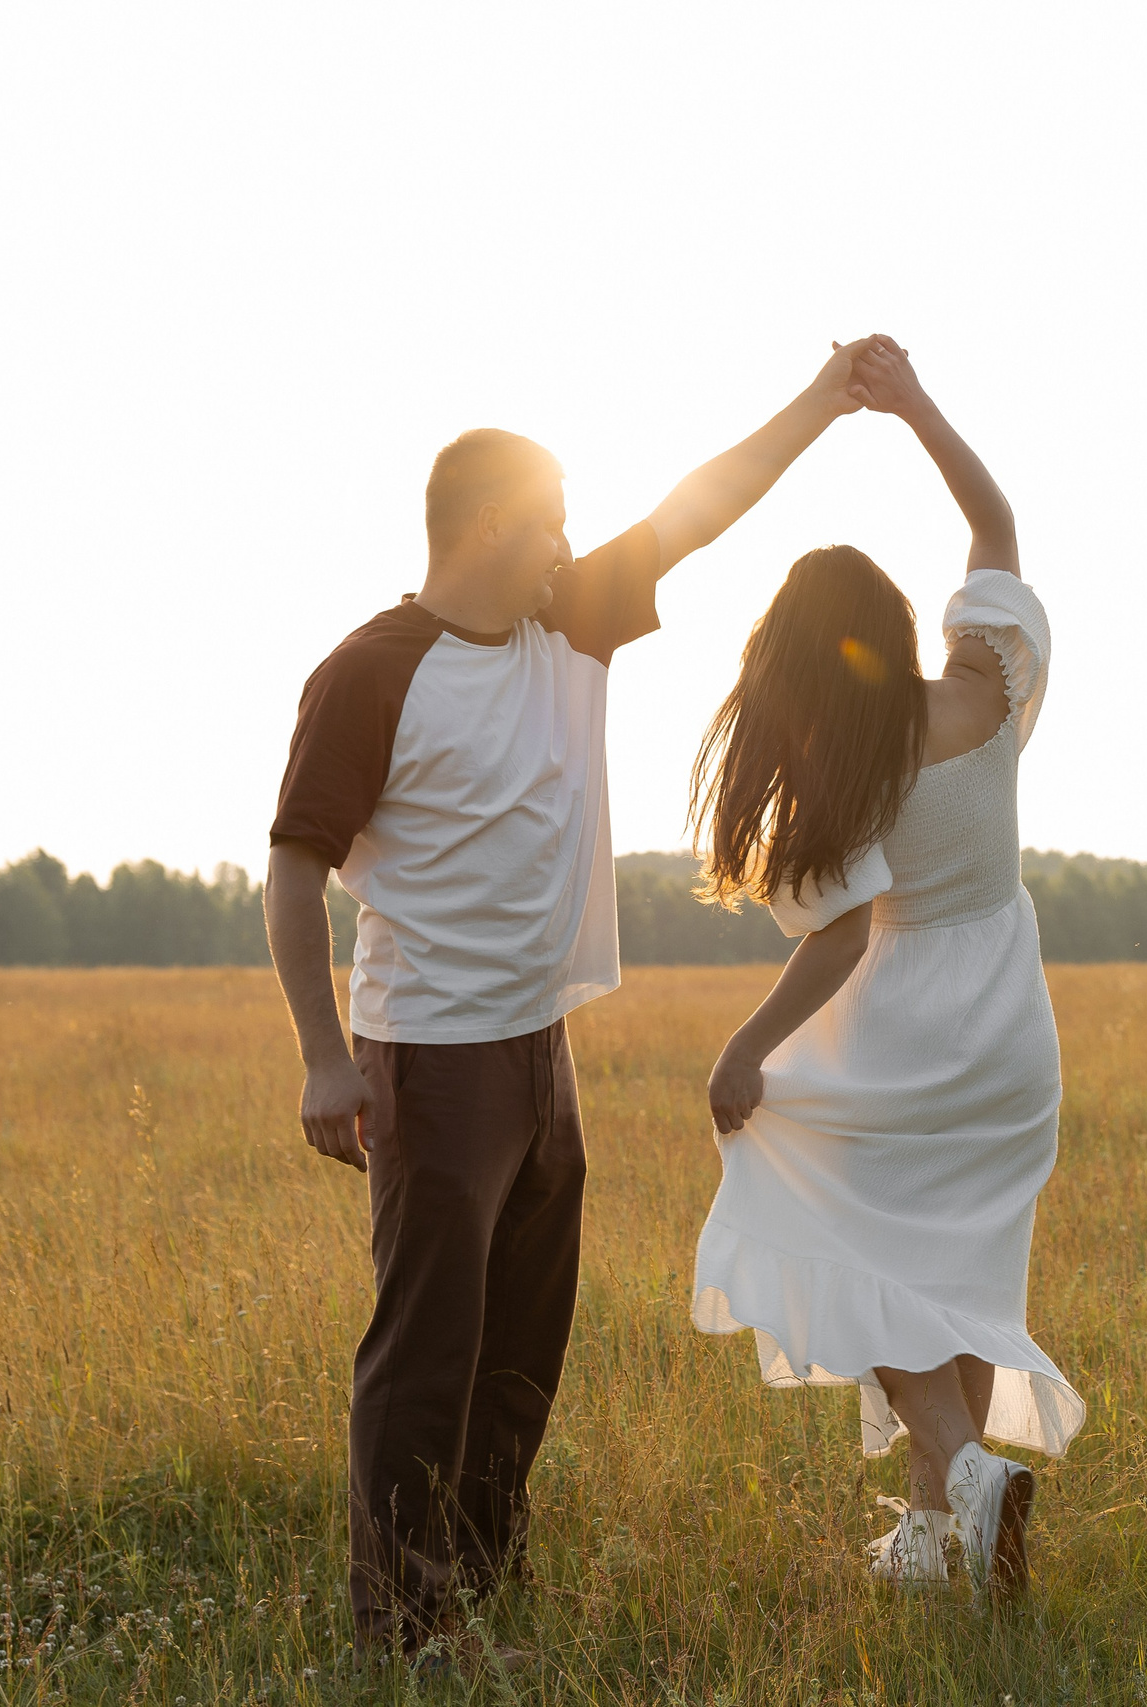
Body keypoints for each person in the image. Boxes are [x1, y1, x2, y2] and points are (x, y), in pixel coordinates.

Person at [262, 339, 880, 1661]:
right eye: (548, 518)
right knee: (427, 1351)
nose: (568, 539)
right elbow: (294, 867)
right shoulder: (371, 671)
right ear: (489, 524)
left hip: (542, 1047)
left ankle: (478, 1589)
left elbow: (701, 507)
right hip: (429, 1058)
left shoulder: (572, 620)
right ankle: (404, 1631)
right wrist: (325, 1057)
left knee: (522, 1345)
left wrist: (826, 402)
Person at [687, 338, 1082, 1601]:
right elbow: (995, 518)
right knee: (953, 1279)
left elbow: (845, 934)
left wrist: (748, 1046)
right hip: (1010, 1034)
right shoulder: (983, 687)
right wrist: (911, 404)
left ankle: (968, 1472)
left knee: (840, 1248)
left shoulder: (848, 766)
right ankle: (928, 1540)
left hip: (906, 1031)